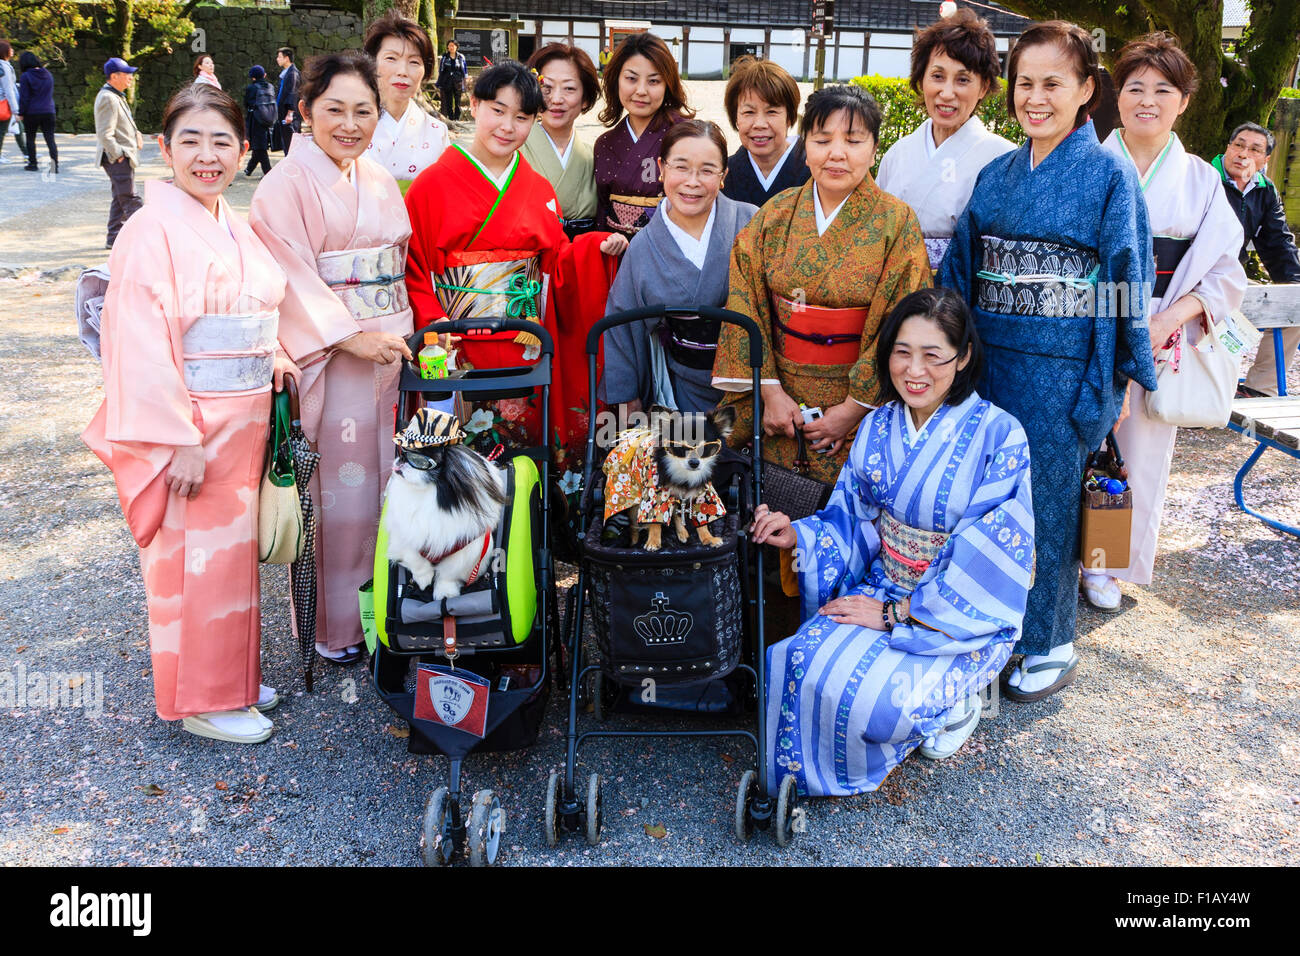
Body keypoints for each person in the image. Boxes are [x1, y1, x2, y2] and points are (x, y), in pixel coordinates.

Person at [938, 20, 1157, 701]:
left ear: (1087, 90)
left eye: (1053, 84)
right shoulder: (996, 175)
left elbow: (1125, 282)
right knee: (987, 499)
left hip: (1065, 371)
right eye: (1024, 83)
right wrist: (944, 354)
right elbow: (963, 271)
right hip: (993, 365)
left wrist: (1115, 375)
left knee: (1049, 507)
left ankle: (1049, 640)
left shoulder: (1109, 177)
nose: (1035, 98)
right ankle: (991, 626)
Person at [751, 288, 1034, 795]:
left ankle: (961, 696)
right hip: (882, 584)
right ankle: (798, 778)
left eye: (933, 355)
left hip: (953, 612)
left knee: (876, 700)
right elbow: (851, 516)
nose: (914, 370)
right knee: (794, 660)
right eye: (902, 352)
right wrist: (799, 533)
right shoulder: (879, 424)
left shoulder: (1001, 435)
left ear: (963, 355)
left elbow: (985, 559)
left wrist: (894, 615)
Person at [83, 84, 296, 744]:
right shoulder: (150, 229)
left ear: (242, 149)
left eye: (222, 142)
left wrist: (278, 352)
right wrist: (174, 437)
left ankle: (229, 677)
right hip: (193, 424)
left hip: (245, 419)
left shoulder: (228, 220)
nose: (208, 156)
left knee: (230, 561)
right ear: (163, 147)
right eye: (191, 142)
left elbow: (257, 304)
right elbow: (141, 343)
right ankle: (201, 699)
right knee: (194, 563)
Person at [250, 51, 415, 666]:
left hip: (389, 348)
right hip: (335, 355)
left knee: (391, 484)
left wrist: (397, 331)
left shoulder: (374, 176)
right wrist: (352, 337)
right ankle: (334, 626)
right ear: (305, 111)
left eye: (363, 111)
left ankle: (391, 616)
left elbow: (396, 263)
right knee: (340, 493)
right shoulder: (283, 187)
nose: (350, 123)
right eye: (334, 109)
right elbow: (287, 276)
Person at [404, 60, 627, 486]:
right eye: (498, 110)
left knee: (523, 447)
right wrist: (434, 322)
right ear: (473, 106)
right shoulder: (431, 185)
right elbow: (415, 267)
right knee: (459, 453)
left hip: (523, 339)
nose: (508, 126)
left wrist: (592, 248)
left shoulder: (537, 188)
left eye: (522, 117)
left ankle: (532, 525)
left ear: (534, 121)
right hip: (454, 338)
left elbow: (556, 261)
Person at [1083, 35, 1248, 610]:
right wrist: (1115, 326)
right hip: (1088, 325)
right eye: (1135, 88)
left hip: (1160, 333)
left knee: (1138, 457)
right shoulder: (1090, 163)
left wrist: (1166, 319)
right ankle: (1056, 558)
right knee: (1076, 443)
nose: (1147, 100)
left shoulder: (1202, 179)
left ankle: (1104, 566)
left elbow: (1226, 272)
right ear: (1115, 96)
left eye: (1163, 90)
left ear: (1183, 102)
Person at [712, 84, 931, 485]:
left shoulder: (896, 223)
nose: (836, 153)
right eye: (822, 139)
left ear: (874, 148)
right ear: (805, 145)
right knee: (766, 500)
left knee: (856, 510)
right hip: (778, 398)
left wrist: (852, 409)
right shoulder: (774, 215)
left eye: (853, 140)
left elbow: (904, 321)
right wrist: (770, 392)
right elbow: (746, 301)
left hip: (861, 399)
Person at [601, 120, 758, 414]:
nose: (692, 181)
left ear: (723, 175)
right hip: (682, 387)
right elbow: (622, 323)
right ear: (662, 168)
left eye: (707, 170)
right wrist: (627, 396)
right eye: (681, 167)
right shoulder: (644, 246)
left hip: (753, 383)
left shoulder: (751, 223)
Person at [876, 8, 1015, 269]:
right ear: (921, 78)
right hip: (895, 295)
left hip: (964, 299)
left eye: (963, 79)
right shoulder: (898, 153)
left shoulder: (1003, 157)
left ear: (984, 87)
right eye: (937, 76)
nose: (947, 93)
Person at [1214, 122, 1300, 397]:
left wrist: (1295, 286)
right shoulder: (1204, 177)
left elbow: (1277, 243)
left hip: (1232, 276)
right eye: (1238, 145)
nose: (1243, 153)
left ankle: (1260, 388)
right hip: (1190, 274)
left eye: (1254, 149)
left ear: (1265, 159)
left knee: (1295, 306)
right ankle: (1202, 390)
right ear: (1228, 148)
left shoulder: (1265, 190)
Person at [594, 32, 695, 239]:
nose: (641, 90)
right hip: (618, 257)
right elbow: (602, 212)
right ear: (616, 80)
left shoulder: (687, 138)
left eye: (654, 81)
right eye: (631, 78)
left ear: (668, 85)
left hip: (671, 252)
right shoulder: (605, 144)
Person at [363, 10, 450, 193]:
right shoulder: (352, 125)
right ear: (371, 63)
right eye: (391, 58)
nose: (403, 71)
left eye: (414, 62)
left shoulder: (437, 132)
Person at [523, 43, 601, 237]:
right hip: (529, 261)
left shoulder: (595, 156)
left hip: (581, 258)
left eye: (569, 88)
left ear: (585, 98)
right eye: (546, 87)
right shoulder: (512, 150)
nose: (556, 99)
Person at [720, 56, 809, 208]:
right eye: (748, 112)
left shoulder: (812, 170)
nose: (759, 124)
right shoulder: (725, 174)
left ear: (789, 117)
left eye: (772, 111)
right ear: (736, 118)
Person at [94, 57, 144, 247]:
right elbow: (105, 133)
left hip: (121, 156)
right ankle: (146, 238)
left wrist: (136, 134)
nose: (131, 77)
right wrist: (119, 154)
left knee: (120, 197)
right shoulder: (107, 97)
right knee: (131, 198)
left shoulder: (115, 95)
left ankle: (114, 238)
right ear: (114, 76)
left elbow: (121, 125)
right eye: (127, 74)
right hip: (117, 158)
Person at [17, 51, 57, 174]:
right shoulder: (48, 74)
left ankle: (33, 164)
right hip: (49, 110)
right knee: (50, 138)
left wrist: (21, 112)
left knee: (30, 138)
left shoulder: (26, 76)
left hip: (32, 112)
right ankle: (54, 165)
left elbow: (24, 97)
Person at [243, 65, 276, 177]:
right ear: (264, 75)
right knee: (259, 146)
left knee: (260, 147)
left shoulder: (251, 88)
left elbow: (246, 103)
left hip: (256, 119)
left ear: (253, 77)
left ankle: (268, 172)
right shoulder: (270, 87)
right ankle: (249, 169)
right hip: (270, 118)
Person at [273, 47, 300, 153]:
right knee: (286, 143)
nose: (277, 59)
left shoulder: (292, 74)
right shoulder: (286, 73)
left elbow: (293, 93)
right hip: (283, 113)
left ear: (287, 58)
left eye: (279, 57)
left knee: (290, 144)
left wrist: (290, 113)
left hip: (289, 115)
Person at [0, 41, 22, 165]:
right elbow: (9, 89)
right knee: (2, 130)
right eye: (10, 49)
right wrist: (16, 110)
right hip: (2, 103)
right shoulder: (4, 67)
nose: (12, 51)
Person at [436, 39, 467, 121]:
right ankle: (450, 118)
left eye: (453, 45)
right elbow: (441, 70)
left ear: (456, 47)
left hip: (458, 81)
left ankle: (457, 118)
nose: (451, 47)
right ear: (447, 47)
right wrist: (440, 82)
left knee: (458, 101)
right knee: (448, 101)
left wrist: (465, 81)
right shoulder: (444, 57)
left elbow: (464, 70)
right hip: (447, 81)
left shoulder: (461, 57)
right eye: (450, 45)